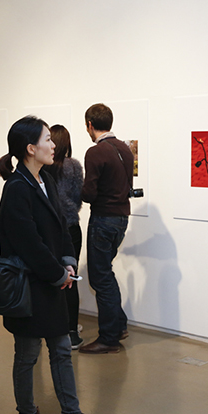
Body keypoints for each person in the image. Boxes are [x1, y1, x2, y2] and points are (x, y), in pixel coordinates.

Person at [0, 116, 86, 414]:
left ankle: (72, 413)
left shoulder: (45, 179)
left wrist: (68, 259)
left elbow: (61, 226)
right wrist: (58, 274)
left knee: (61, 348)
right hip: (29, 288)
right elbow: (28, 244)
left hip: (50, 284)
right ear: (30, 148)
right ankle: (27, 412)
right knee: (27, 354)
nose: (53, 145)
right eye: (48, 139)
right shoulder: (16, 188)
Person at [78, 103, 134, 354]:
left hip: (103, 219)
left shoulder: (95, 152)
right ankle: (119, 325)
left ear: (90, 124)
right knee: (105, 274)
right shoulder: (125, 148)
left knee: (100, 277)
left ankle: (109, 337)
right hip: (122, 218)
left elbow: (89, 194)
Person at [43, 125, 84, 349]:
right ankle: (71, 331)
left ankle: (49, 325)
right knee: (71, 278)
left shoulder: (42, 168)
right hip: (70, 226)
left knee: (49, 276)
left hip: (48, 228)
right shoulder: (73, 166)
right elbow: (79, 197)